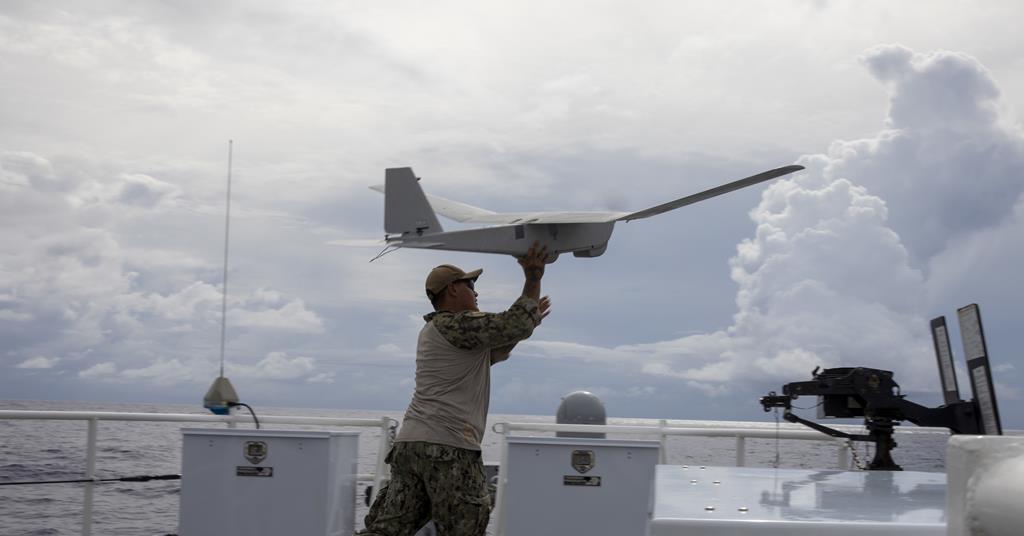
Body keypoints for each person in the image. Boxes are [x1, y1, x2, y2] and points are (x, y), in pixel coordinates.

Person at [358, 242, 552, 536]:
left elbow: (499, 347)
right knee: (465, 527)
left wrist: (528, 320)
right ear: (452, 290)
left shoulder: (439, 332)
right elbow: (512, 325)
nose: (476, 292)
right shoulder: (457, 325)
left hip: (412, 446)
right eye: (470, 284)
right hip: (448, 448)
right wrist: (533, 278)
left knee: (388, 529)